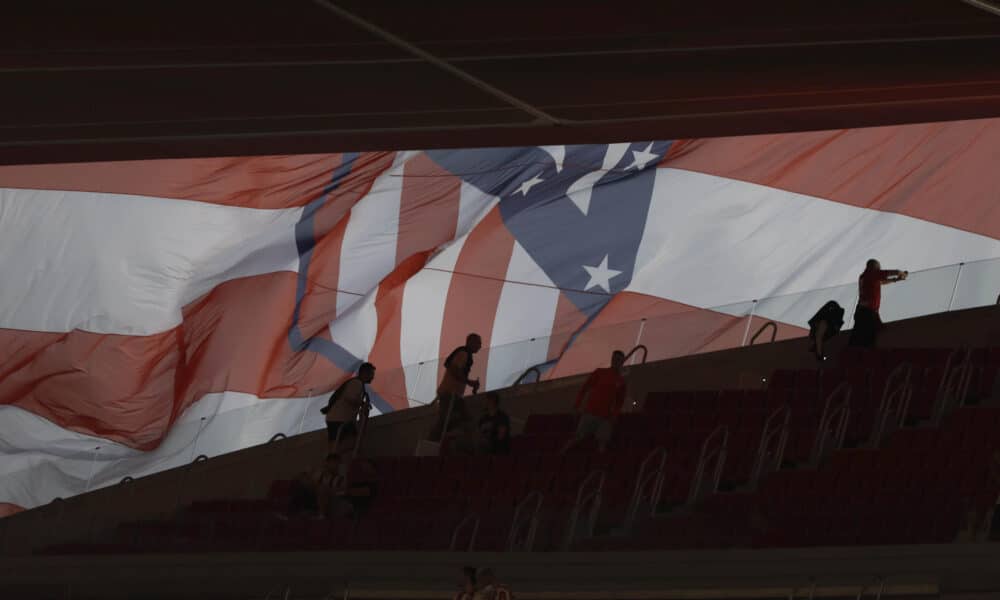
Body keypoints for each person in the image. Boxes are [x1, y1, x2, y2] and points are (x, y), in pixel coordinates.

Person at [562, 350, 627, 454]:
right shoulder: (600, 372)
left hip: (606, 417)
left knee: (602, 443)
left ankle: (598, 464)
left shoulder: (621, 381)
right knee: (577, 437)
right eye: (614, 359)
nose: (615, 361)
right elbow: (584, 389)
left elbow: (620, 402)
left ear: (622, 362)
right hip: (590, 412)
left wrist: (614, 416)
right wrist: (576, 406)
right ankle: (561, 454)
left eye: (618, 360)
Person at [430, 334, 482, 444]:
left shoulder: (464, 354)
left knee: (449, 421)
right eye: (478, 343)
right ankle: (431, 445)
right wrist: (470, 382)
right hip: (450, 394)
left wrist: (469, 383)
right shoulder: (463, 354)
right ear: (471, 342)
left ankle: (437, 443)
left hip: (453, 395)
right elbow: (454, 370)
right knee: (446, 422)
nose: (480, 346)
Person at [848, 259, 908, 348]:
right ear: (874, 267)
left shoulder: (865, 276)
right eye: (878, 267)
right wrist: (902, 274)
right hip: (868, 313)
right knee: (869, 338)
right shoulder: (872, 273)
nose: (880, 268)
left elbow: (881, 282)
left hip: (863, 311)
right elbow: (894, 272)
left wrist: (895, 280)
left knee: (859, 338)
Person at [321, 362, 375, 456]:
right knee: (350, 442)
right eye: (371, 374)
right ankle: (335, 460)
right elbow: (350, 397)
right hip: (340, 419)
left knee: (335, 443)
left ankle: (332, 460)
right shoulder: (357, 383)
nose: (372, 377)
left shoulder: (356, 383)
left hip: (335, 418)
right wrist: (363, 404)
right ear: (365, 373)